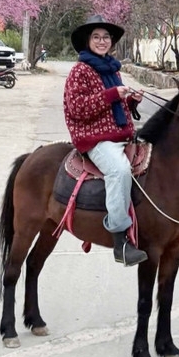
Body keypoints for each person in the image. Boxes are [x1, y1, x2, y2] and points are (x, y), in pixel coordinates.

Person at [63, 15, 147, 267]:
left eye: (106, 37)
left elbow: (115, 107)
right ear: (88, 41)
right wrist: (111, 94)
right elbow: (77, 108)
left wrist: (130, 101)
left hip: (120, 134)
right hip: (95, 139)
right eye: (96, 37)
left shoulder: (112, 68)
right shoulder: (80, 71)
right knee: (119, 170)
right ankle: (120, 239)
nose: (102, 41)